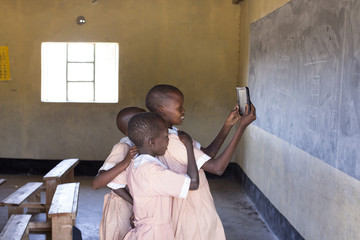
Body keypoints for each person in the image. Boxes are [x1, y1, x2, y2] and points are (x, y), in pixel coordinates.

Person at [145, 84, 256, 240]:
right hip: (190, 210)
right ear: (162, 109)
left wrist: (228, 126)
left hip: (192, 205)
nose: (184, 110)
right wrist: (241, 128)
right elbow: (217, 168)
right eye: (179, 107)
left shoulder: (172, 134)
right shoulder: (172, 140)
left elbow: (206, 155)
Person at [123, 112, 199, 240]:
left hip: (144, 230)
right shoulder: (153, 172)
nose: (168, 141)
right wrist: (188, 146)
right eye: (166, 137)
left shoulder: (135, 165)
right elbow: (193, 183)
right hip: (155, 233)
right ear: (151, 142)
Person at [92, 106, 145, 240]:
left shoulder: (146, 146)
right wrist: (126, 161)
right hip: (121, 209)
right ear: (129, 131)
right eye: (142, 121)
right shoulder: (123, 148)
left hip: (138, 207)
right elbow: (99, 182)